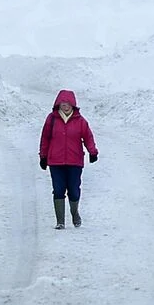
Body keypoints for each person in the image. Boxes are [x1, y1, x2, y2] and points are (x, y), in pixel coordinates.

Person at [38, 89, 98, 229]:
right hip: (55, 162)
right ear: (58, 104)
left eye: (68, 104)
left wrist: (93, 152)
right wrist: (43, 156)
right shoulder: (51, 119)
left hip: (75, 161)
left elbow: (88, 137)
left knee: (74, 190)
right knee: (58, 190)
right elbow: (45, 138)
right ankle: (60, 221)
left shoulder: (80, 121)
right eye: (62, 104)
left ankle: (74, 212)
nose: (65, 106)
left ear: (73, 105)